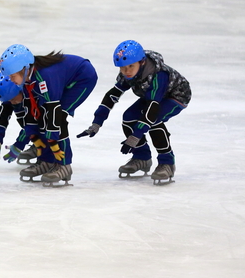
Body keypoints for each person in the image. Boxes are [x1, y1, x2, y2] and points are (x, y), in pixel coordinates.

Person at [76, 40, 190, 185]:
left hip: (176, 96)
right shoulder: (127, 73)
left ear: (142, 62)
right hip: (151, 97)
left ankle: (167, 162)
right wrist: (96, 123)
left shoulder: (158, 74)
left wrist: (135, 137)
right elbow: (112, 95)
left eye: (131, 66)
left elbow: (153, 108)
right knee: (129, 117)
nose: (127, 71)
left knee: (153, 121)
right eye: (122, 68)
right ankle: (142, 158)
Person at [0, 44, 97, 186]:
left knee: (59, 118)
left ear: (24, 69)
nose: (11, 80)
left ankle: (64, 165)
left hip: (83, 78)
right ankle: (46, 161)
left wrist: (53, 143)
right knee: (41, 116)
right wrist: (24, 142)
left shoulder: (45, 77)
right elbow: (31, 116)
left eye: (12, 76)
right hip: (61, 80)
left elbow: (53, 113)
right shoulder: (27, 80)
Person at [0, 72, 38, 165]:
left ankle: (48, 153)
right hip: (32, 124)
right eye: (9, 100)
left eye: (14, 99)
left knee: (45, 127)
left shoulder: (34, 98)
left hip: (49, 119)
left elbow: (33, 125)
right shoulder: (12, 97)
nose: (12, 102)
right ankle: (38, 145)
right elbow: (2, 118)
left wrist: (19, 144)